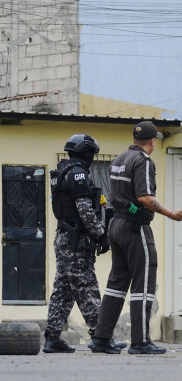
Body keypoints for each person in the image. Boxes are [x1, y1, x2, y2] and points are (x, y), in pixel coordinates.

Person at [91, 121, 182, 354]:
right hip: (135, 228)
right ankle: (141, 341)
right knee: (144, 283)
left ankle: (101, 338)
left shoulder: (118, 159)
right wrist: (170, 214)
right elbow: (144, 197)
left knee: (116, 283)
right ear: (152, 141)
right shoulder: (143, 161)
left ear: (135, 139)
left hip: (115, 225)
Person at [43, 134, 124, 353]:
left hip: (65, 237)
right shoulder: (77, 174)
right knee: (87, 287)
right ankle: (101, 337)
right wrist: (100, 234)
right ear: (86, 153)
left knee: (63, 290)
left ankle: (52, 338)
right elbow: (85, 209)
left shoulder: (62, 170)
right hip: (75, 240)